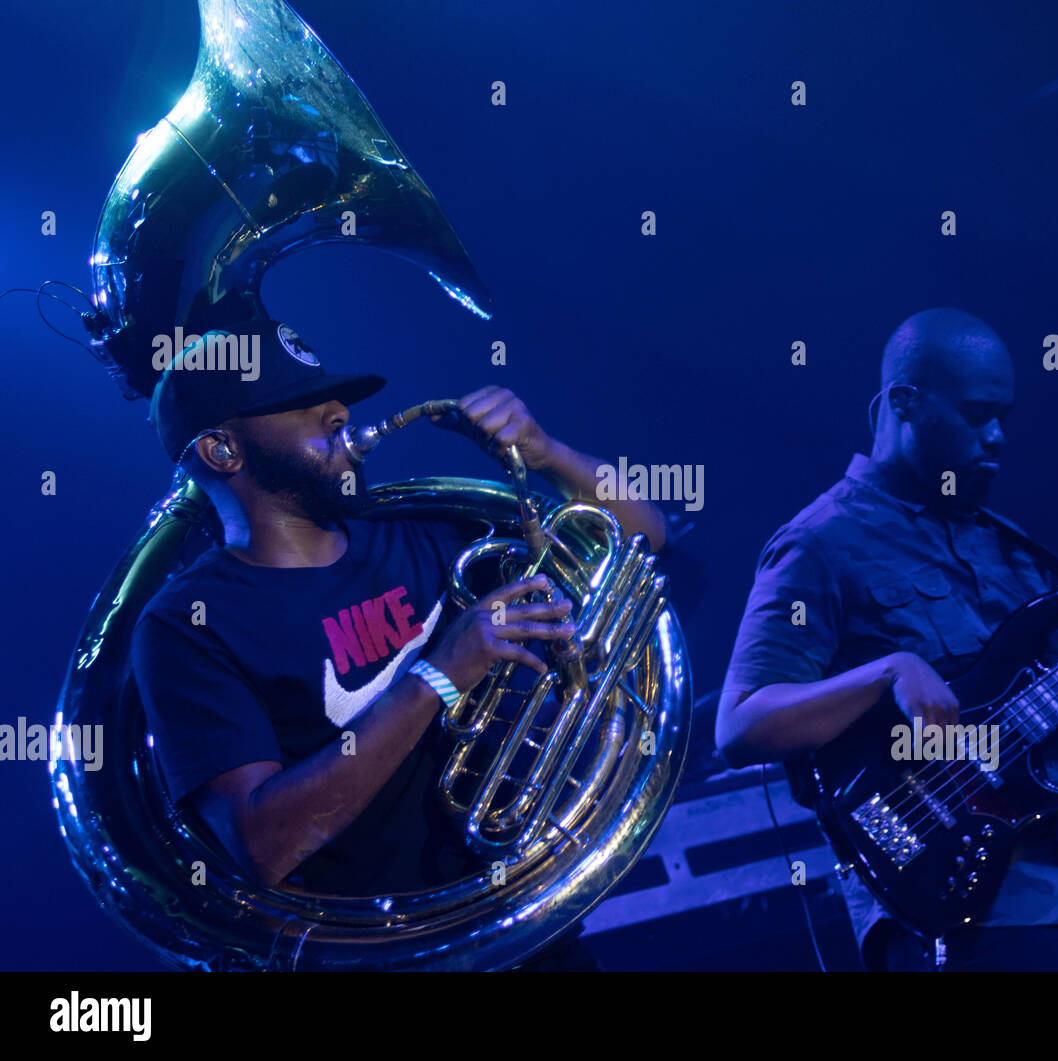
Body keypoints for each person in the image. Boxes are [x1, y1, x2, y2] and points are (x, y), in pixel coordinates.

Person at [131, 317, 665, 971]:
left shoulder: (428, 529)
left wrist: (544, 450)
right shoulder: (188, 622)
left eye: (331, 395)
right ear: (222, 450)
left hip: (534, 940)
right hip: (389, 958)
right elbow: (262, 842)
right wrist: (440, 677)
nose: (338, 411)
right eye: (298, 402)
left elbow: (639, 536)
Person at [716, 307, 1058, 972]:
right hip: (975, 910)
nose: (999, 434)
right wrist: (888, 670)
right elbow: (740, 724)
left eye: (1004, 414)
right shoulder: (820, 544)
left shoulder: (1005, 544)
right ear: (905, 403)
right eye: (978, 413)